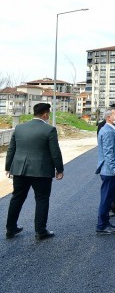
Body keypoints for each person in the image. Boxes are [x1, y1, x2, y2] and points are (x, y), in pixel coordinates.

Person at [5, 103, 64, 240]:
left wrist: (8, 167)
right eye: (48, 114)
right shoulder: (49, 130)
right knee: (42, 199)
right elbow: (55, 152)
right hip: (41, 171)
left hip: (20, 170)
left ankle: (10, 229)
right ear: (45, 114)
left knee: (17, 198)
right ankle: (40, 231)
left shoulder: (19, 128)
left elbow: (11, 149)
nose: (48, 116)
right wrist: (59, 169)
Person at [95, 108, 115, 235]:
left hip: (111, 170)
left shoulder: (112, 129)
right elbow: (108, 154)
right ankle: (101, 226)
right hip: (109, 171)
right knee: (106, 199)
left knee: (108, 198)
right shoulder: (107, 131)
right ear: (108, 118)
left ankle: (106, 223)